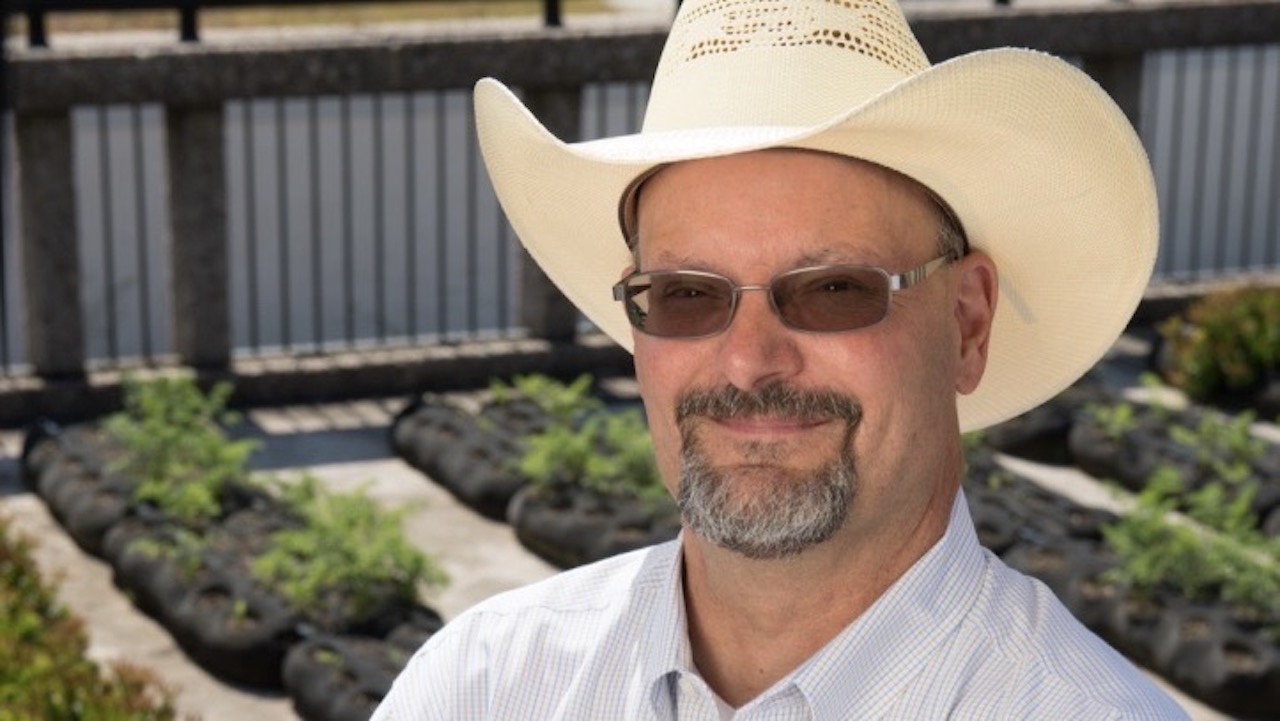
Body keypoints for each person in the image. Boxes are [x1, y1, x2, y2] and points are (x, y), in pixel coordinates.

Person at [375, 0, 1190, 716]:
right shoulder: (478, 687)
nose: (747, 363)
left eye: (834, 289)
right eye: (688, 294)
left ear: (967, 324)